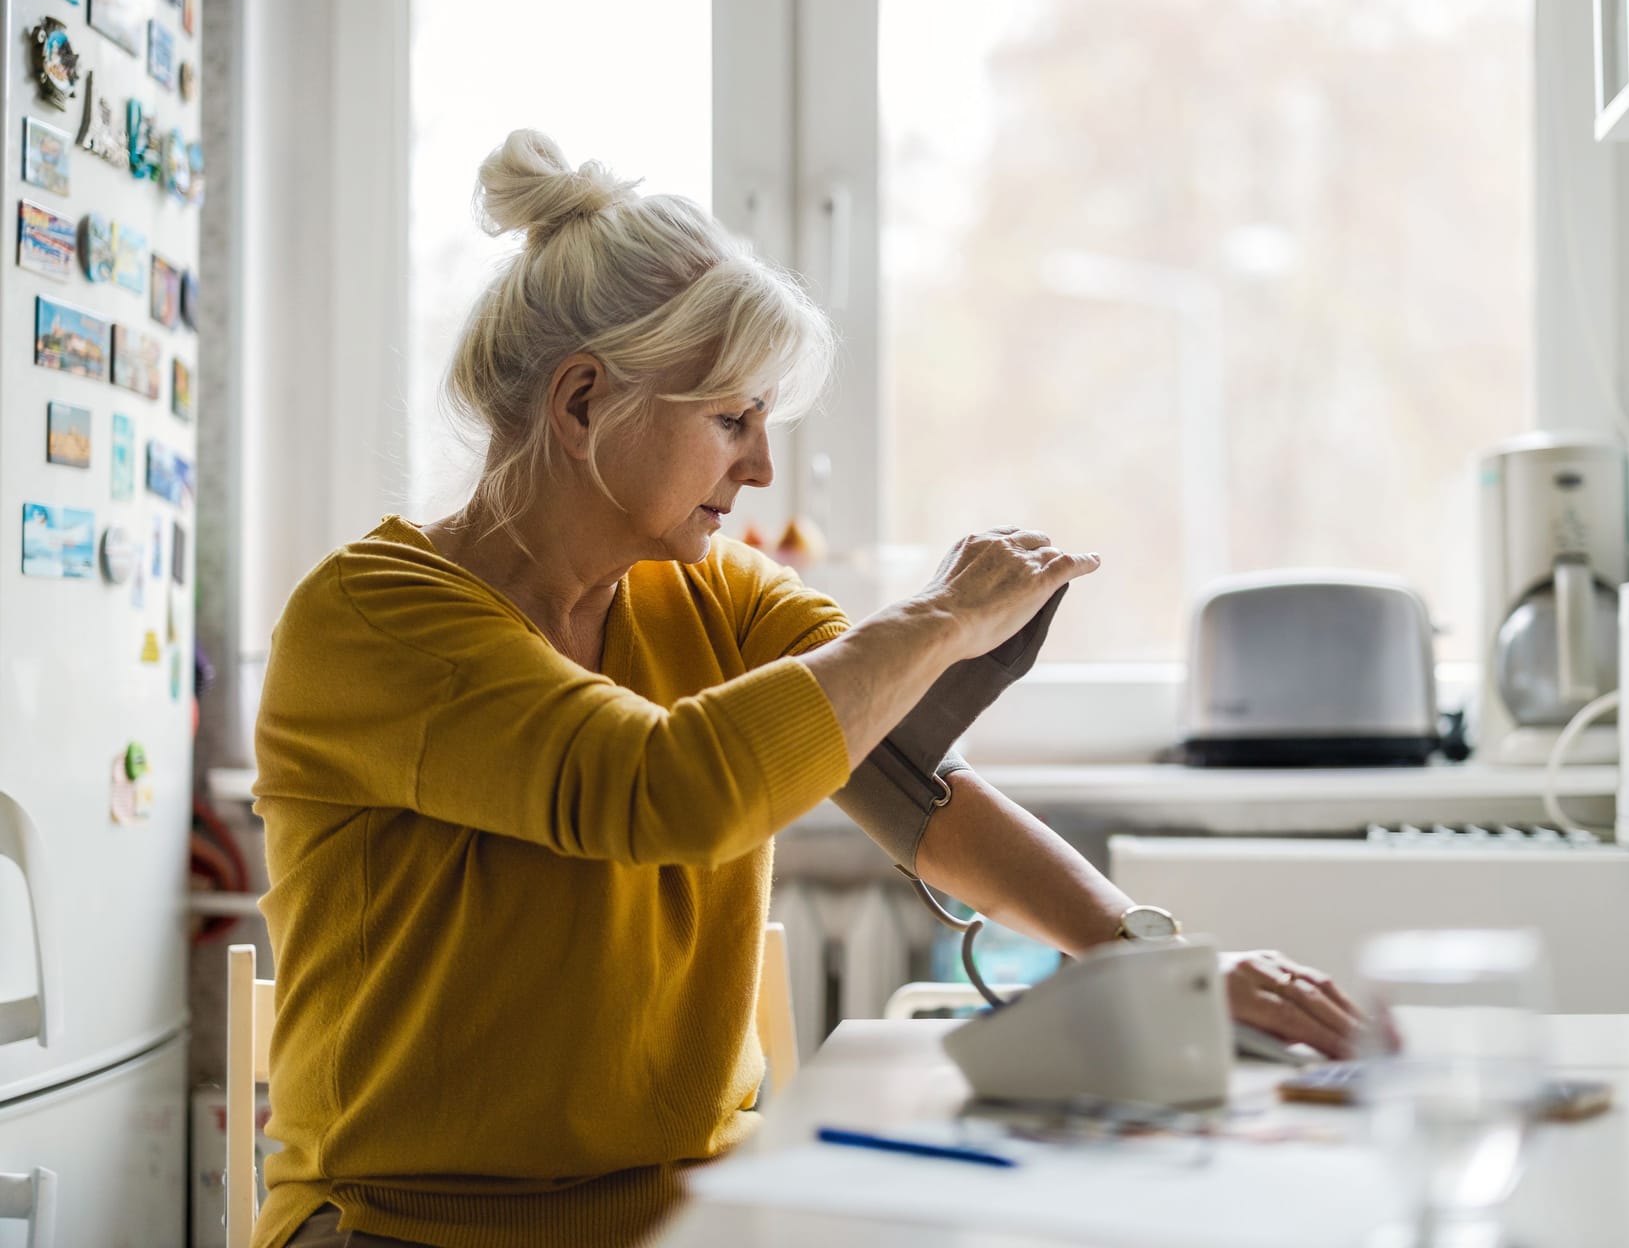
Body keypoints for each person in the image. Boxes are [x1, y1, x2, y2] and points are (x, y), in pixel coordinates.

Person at [253, 129, 1363, 1248]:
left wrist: (1154, 963)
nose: (760, 469)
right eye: (730, 419)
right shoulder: (376, 621)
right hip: (409, 1227)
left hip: (691, 1211)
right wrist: (936, 618)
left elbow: (897, 767)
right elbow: (659, 790)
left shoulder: (713, 597)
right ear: (583, 401)